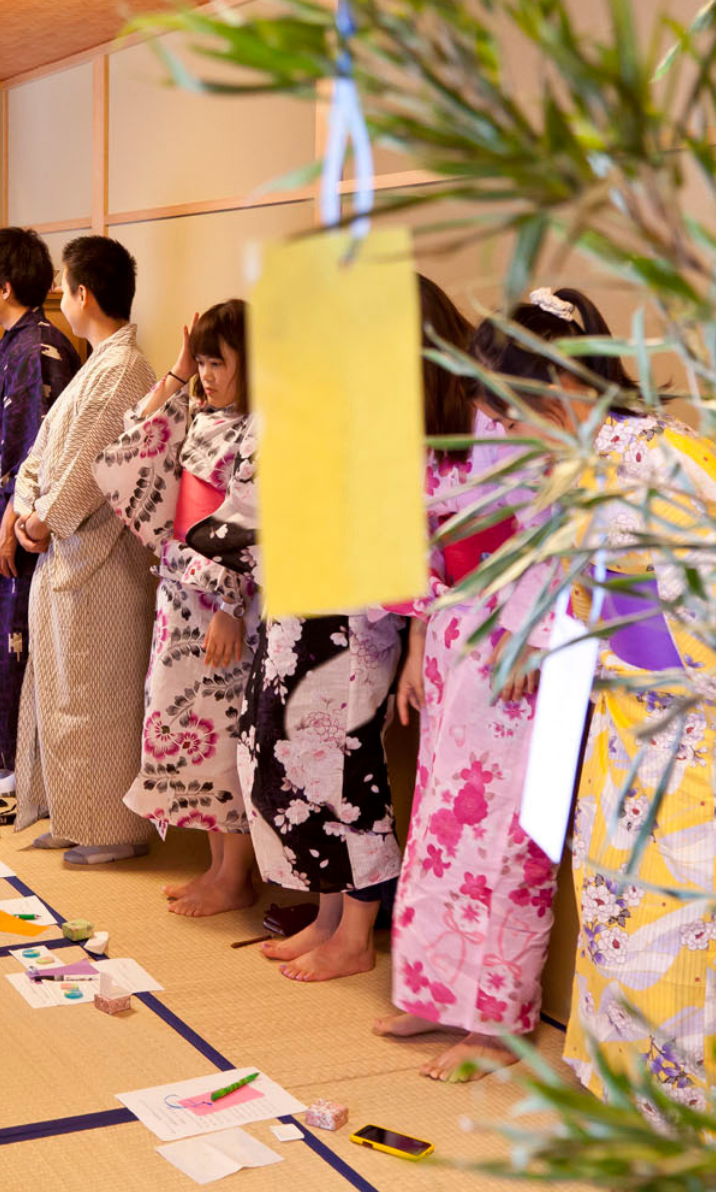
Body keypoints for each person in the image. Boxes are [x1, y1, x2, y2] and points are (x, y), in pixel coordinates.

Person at [472, 286, 716, 1107]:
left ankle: (698, 1144)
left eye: (517, 406)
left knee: (691, 959)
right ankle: (633, 1127)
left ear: (567, 386)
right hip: (624, 741)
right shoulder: (596, 462)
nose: (508, 427)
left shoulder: (660, 460)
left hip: (692, 746)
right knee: (620, 943)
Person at [240, 281, 475, 983]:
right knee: (286, 767)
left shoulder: (430, 419)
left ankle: (355, 933)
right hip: (300, 600)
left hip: (355, 617)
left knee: (345, 773)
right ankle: (326, 914)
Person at [375, 290, 562, 1082]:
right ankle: (437, 992)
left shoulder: (531, 422)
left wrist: (527, 624)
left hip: (521, 650)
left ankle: (497, 1021)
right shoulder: (445, 424)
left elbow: (562, 538)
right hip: (455, 641)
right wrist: (418, 642)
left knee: (509, 841)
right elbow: (427, 535)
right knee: (441, 828)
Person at [94, 299, 258, 914]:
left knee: (219, 731)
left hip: (219, 604)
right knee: (183, 727)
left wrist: (231, 604)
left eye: (220, 363)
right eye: (205, 361)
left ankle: (234, 873)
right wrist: (180, 369)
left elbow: (250, 528)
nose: (209, 375)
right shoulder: (201, 412)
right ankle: (217, 865)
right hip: (179, 595)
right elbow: (132, 443)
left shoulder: (256, 430)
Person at [10, 236, 157, 865]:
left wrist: (43, 518)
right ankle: (70, 811)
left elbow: (93, 464)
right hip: (64, 554)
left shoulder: (126, 369)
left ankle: (110, 828)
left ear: (82, 294)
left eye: (64, 287)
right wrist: (26, 504)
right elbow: (45, 451)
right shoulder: (98, 362)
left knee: (97, 695)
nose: (61, 299)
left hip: (101, 560)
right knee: (59, 689)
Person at [0, 229, 81, 796]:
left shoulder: (39, 351)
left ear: (4, 286)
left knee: (17, 636)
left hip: (18, 516)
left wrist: (6, 524)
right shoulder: (6, 345)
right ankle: (7, 757)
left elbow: (33, 452)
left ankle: (26, 764)